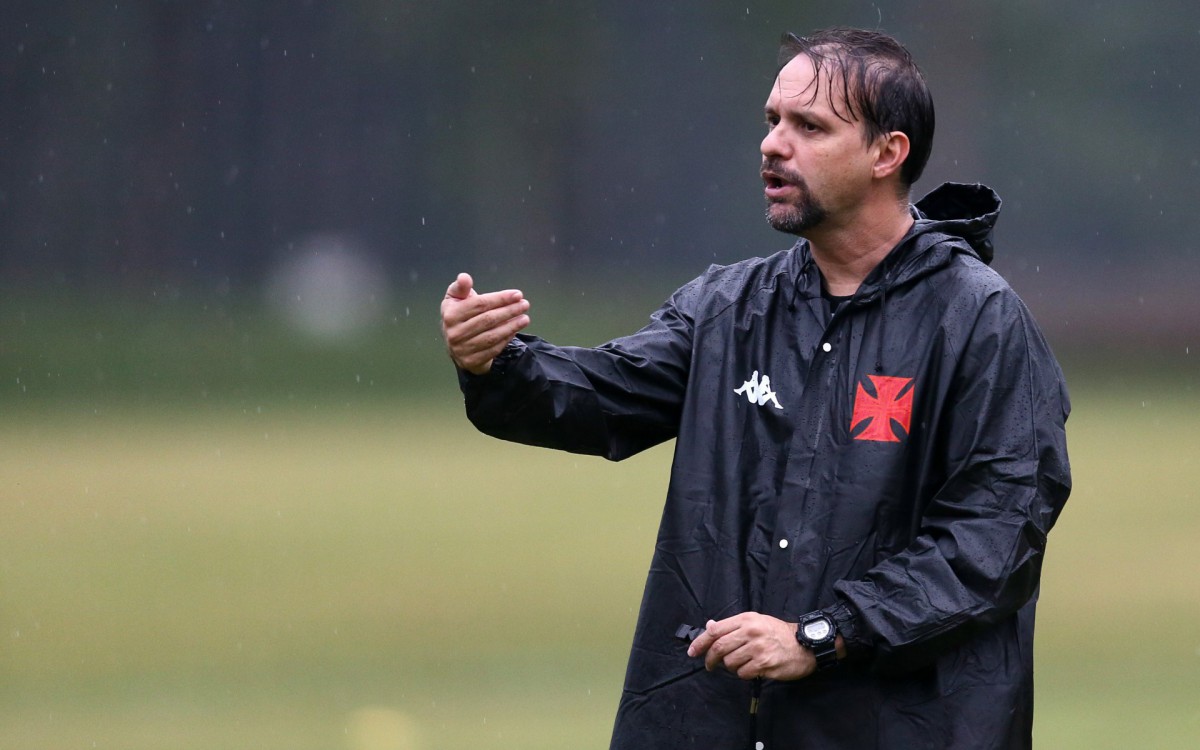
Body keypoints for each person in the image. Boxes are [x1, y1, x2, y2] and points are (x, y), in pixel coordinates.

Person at [440, 27, 1071, 750]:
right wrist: (498, 361)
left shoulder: (977, 319)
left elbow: (996, 536)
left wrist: (825, 634)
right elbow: (606, 394)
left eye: (809, 126)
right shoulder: (729, 307)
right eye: (772, 121)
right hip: (713, 722)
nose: (774, 144)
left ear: (886, 154)